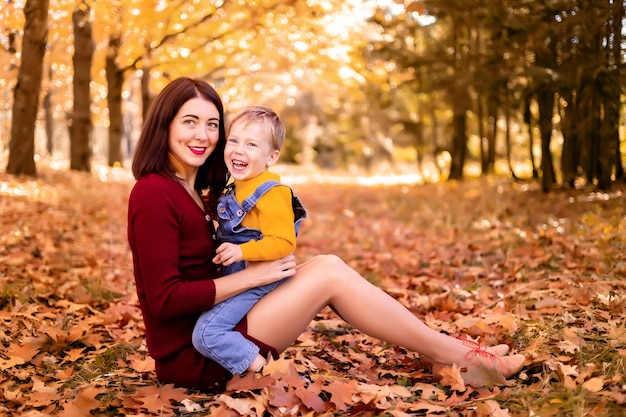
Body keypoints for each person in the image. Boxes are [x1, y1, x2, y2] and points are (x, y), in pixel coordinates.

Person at [127, 77, 525, 392]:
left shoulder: (197, 192)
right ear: (166, 125)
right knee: (329, 273)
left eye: (212, 124)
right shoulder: (154, 192)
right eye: (190, 122)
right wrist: (257, 275)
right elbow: (165, 300)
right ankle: (457, 356)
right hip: (201, 351)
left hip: (222, 323)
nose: (203, 135)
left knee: (325, 266)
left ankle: (452, 352)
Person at [191, 105, 307, 376]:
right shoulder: (239, 186)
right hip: (241, 278)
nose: (239, 150)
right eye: (234, 140)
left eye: (252, 144)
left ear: (272, 157)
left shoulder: (271, 192)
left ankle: (266, 375)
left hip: (260, 279)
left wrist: (243, 251)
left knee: (207, 334)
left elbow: (284, 242)